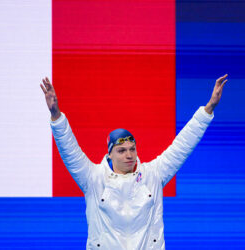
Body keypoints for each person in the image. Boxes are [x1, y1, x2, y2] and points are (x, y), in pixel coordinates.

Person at [40, 75, 228, 249]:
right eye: (121, 151)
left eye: (132, 149)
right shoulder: (93, 178)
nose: (129, 155)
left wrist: (208, 108)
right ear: (110, 154)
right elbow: (69, 151)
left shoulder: (153, 174)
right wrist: (56, 115)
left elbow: (181, 146)